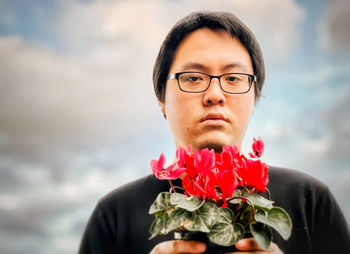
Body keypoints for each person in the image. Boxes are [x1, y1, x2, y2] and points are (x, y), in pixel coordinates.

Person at [78, 11, 350, 254]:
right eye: (194, 78)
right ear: (161, 97)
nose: (215, 95)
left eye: (233, 78)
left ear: (255, 98)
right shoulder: (114, 215)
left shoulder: (310, 201)